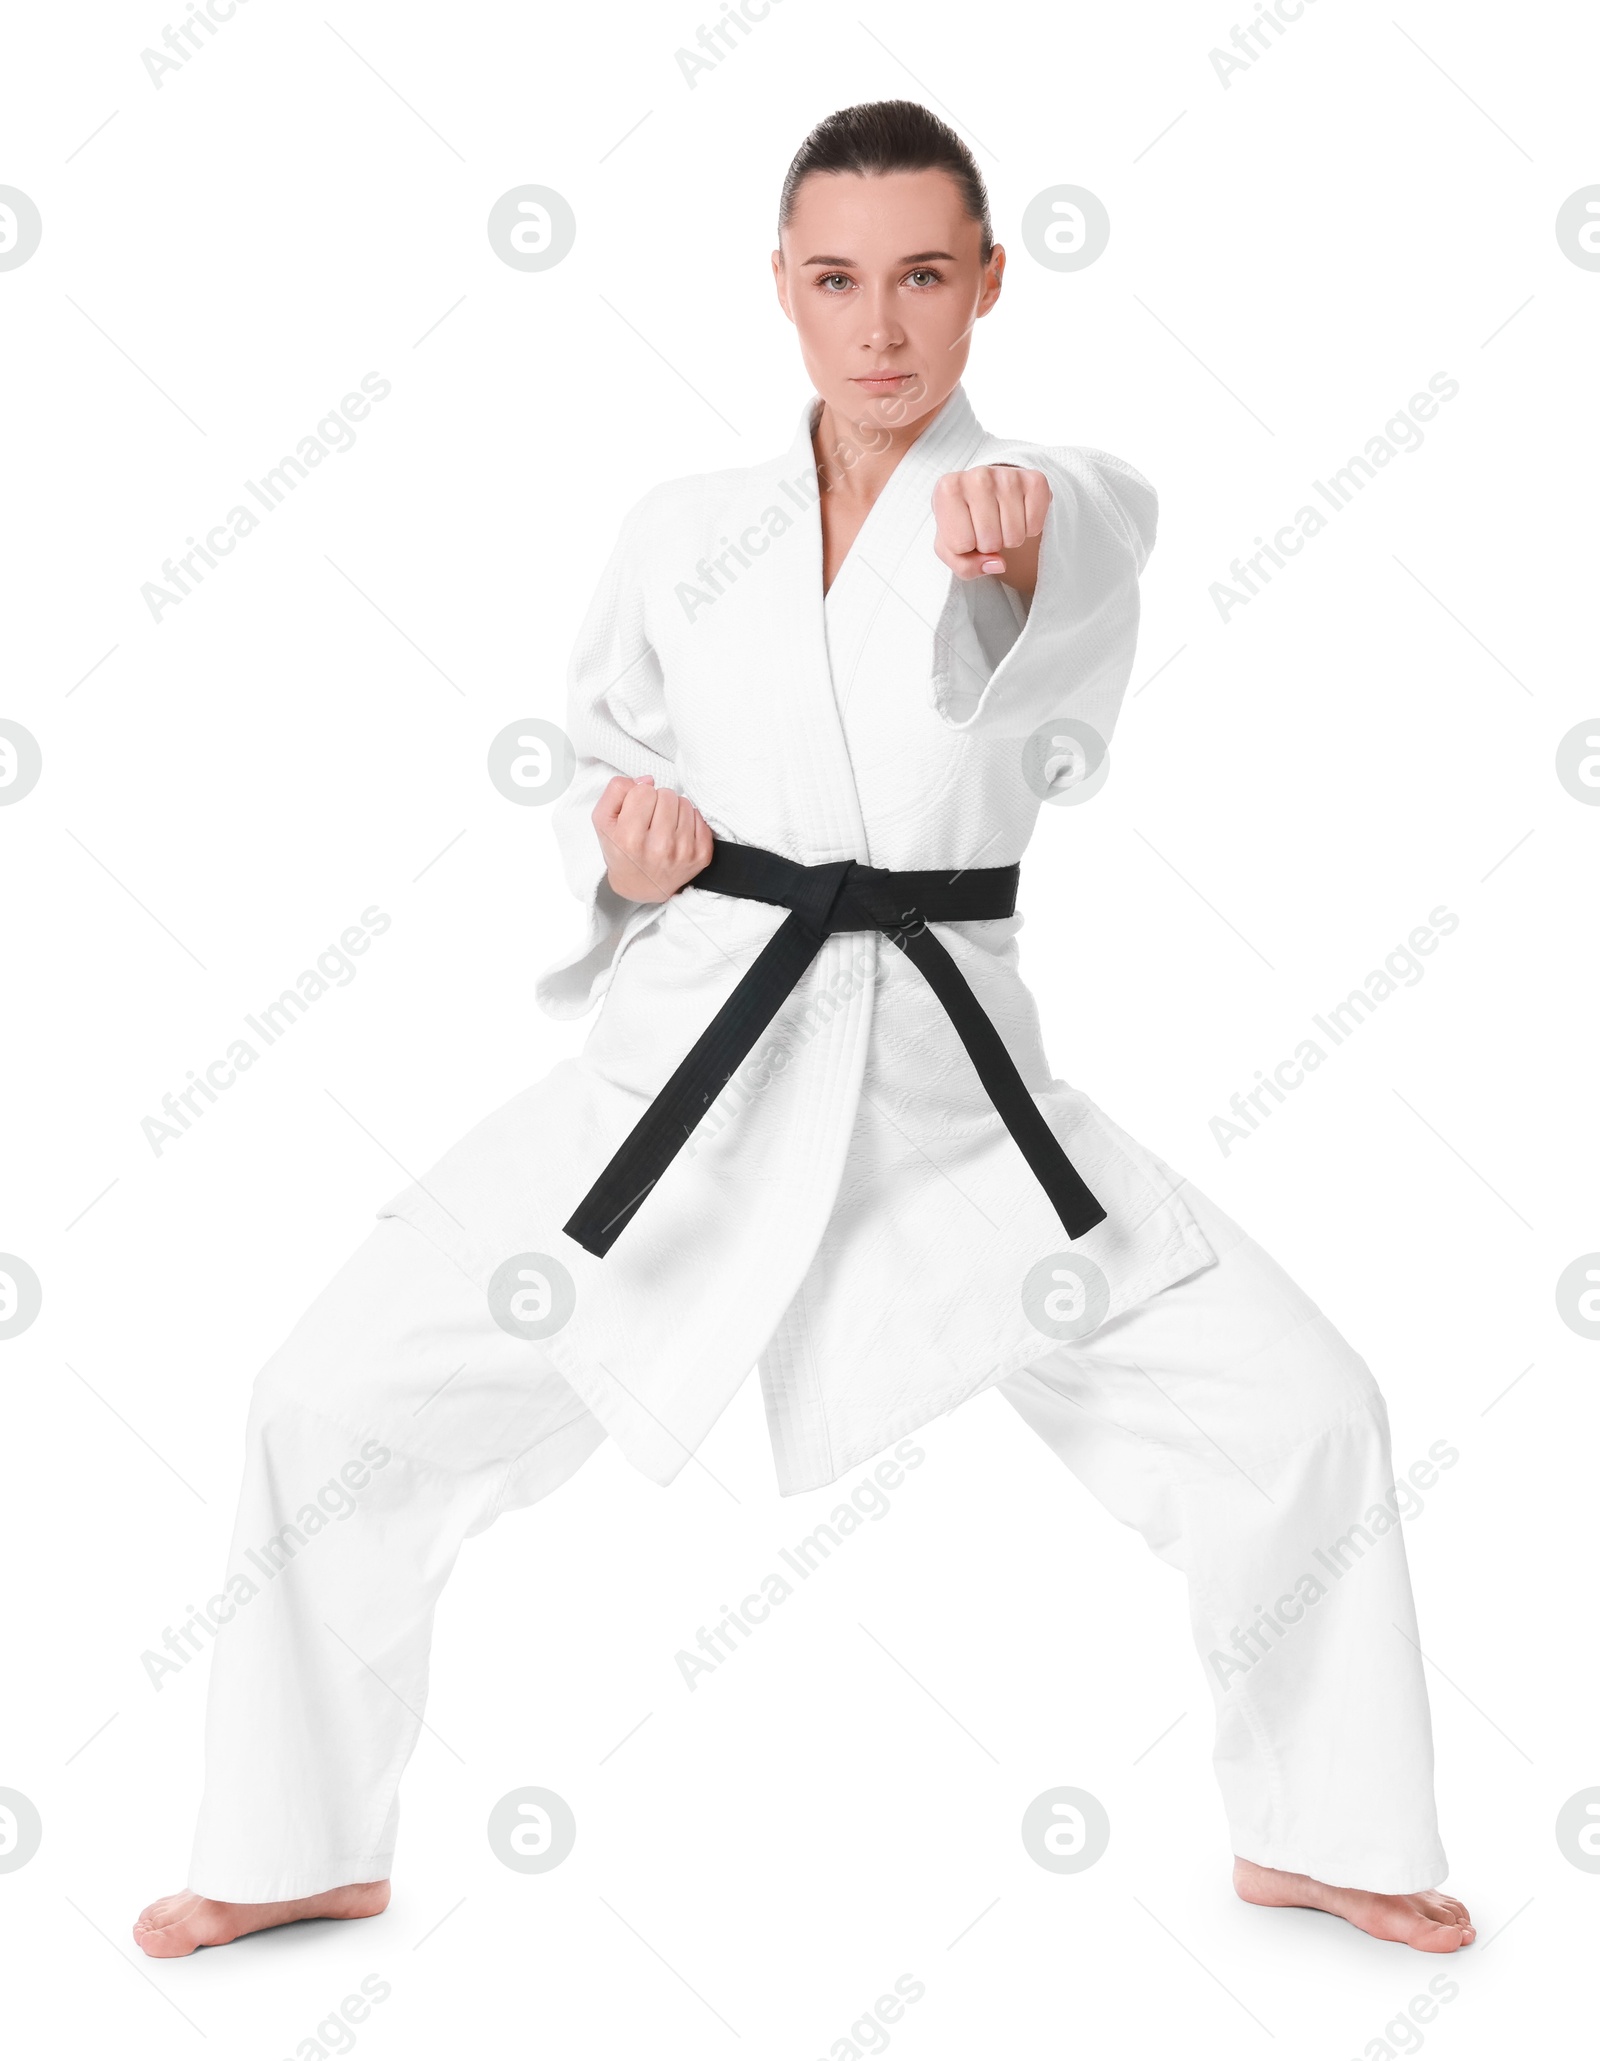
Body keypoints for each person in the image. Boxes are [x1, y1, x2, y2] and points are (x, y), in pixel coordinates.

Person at [134, 99, 1473, 1959]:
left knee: (1310, 1410)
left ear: (989, 281)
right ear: (781, 288)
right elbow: (611, 756)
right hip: (685, 1094)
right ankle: (294, 1845)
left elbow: (1081, 569)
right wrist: (627, 841)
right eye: (837, 280)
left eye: (926, 275)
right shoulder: (683, 531)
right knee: (324, 1400)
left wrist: (1017, 541)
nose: (882, 327)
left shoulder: (1047, 498)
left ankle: (1323, 1830)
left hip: (955, 1114)